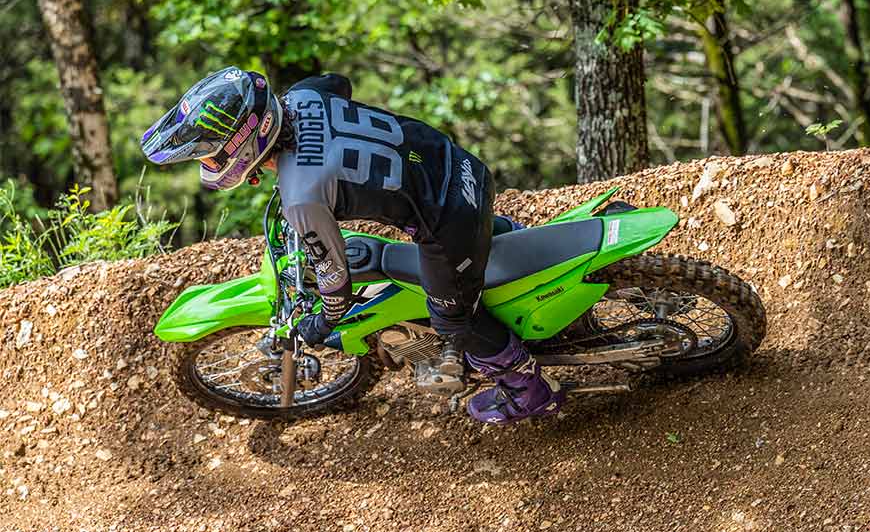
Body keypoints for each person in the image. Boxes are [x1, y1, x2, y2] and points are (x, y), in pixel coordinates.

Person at [140, 66, 561, 424]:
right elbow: (337, 82)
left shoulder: (302, 197)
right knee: (463, 256)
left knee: (454, 321)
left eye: (209, 156)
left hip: (451, 215)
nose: (207, 164)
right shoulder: (303, 96)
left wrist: (321, 325)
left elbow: (336, 284)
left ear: (243, 145)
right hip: (457, 161)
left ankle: (528, 391)